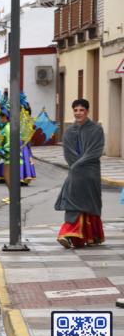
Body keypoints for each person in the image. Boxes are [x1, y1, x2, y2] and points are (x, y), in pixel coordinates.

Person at [55, 99, 104, 249]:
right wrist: (75, 166)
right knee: (73, 201)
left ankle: (91, 235)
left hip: (90, 172)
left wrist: (78, 165)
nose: (78, 113)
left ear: (87, 111)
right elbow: (68, 153)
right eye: (75, 110)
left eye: (81, 110)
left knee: (90, 202)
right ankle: (68, 234)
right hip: (75, 173)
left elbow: (94, 152)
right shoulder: (69, 132)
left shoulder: (96, 129)